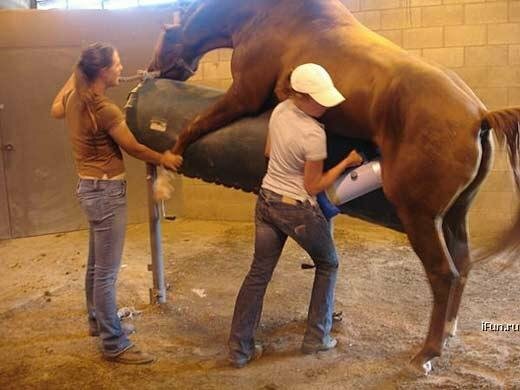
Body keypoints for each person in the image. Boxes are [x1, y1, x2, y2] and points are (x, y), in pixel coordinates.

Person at [51, 42, 182, 364]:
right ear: (103, 72)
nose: (122, 69)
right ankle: (114, 343)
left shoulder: (72, 99)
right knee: (106, 273)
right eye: (118, 64)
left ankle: (98, 322)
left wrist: (78, 70)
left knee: (97, 265)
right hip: (107, 193)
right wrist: (163, 157)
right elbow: (133, 148)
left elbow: (54, 107)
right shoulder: (104, 109)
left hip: (89, 188)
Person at [228, 63, 363, 368]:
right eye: (318, 99)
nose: (325, 105)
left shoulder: (281, 110)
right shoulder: (314, 133)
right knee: (328, 263)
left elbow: (268, 152)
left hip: (267, 201)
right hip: (295, 210)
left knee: (258, 273)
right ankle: (317, 337)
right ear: (301, 96)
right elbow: (313, 185)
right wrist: (347, 163)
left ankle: (239, 349)